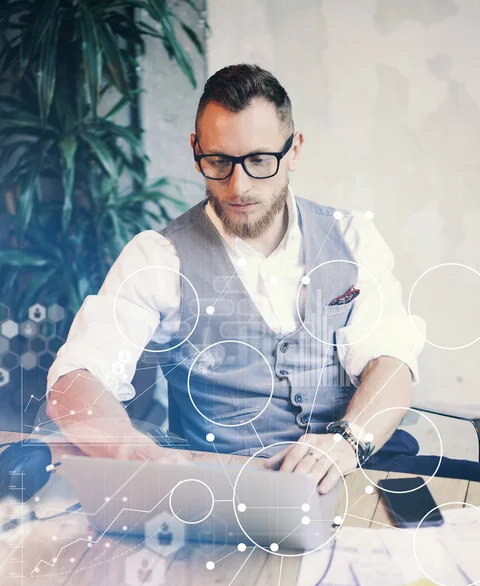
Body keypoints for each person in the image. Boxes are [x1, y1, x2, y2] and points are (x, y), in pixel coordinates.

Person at [47, 64, 425, 494]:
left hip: (355, 474)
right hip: (224, 494)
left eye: (260, 160)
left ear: (294, 151)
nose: (238, 185)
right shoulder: (158, 256)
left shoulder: (354, 237)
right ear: (196, 150)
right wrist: (134, 452)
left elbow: (392, 361)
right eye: (218, 161)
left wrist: (347, 441)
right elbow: (74, 379)